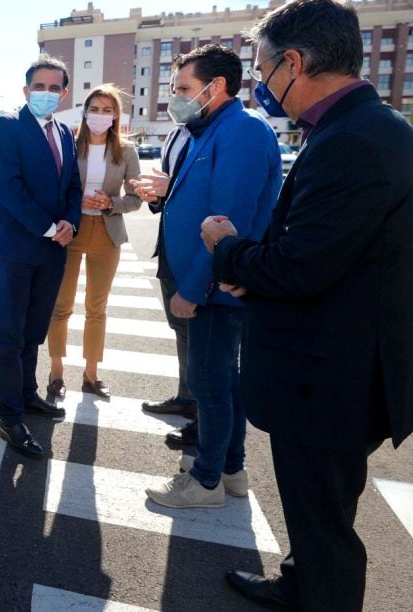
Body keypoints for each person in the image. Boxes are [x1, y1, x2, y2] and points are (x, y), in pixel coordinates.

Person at [203, 1, 413, 609]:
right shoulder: (368, 128)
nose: (264, 87)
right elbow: (328, 253)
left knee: (324, 526)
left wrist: (229, 251)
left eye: (264, 70)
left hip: (328, 380)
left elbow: (300, 267)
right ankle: (300, 583)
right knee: (317, 510)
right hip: (335, 369)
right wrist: (260, 269)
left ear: (294, 62)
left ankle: (317, 594)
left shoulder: (354, 141)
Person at [142, 44, 282, 509]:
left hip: (215, 289)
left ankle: (204, 482)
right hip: (212, 285)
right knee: (223, 381)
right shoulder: (212, 128)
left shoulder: (240, 131)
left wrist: (193, 289)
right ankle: (231, 469)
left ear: (215, 86)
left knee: (207, 385)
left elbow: (227, 223)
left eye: (183, 88)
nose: (175, 98)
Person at [0, 54, 82, 459]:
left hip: (52, 250)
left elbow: (73, 188)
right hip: (14, 249)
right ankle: (10, 417)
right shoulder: (7, 127)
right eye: (38, 87)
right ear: (26, 91)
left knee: (34, 332)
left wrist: (70, 223)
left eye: (53, 87)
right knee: (10, 336)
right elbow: (9, 188)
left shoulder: (63, 131)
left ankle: (27, 394)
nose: (46, 93)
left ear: (63, 94)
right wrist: (49, 226)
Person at [46, 84, 141, 402]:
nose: (100, 116)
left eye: (107, 110)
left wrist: (111, 203)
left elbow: (135, 199)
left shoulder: (127, 151)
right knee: (61, 307)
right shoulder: (70, 147)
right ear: (85, 112)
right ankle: (56, 373)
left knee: (96, 308)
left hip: (107, 233)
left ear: (116, 115)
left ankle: (91, 374)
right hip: (71, 231)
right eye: (95, 109)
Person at [133, 102, 199, 448]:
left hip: (196, 250)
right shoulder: (174, 134)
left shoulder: (214, 135)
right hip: (169, 248)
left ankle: (203, 414)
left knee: (201, 335)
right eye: (174, 90)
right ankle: (186, 397)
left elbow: (203, 192)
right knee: (181, 329)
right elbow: (168, 193)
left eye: (185, 89)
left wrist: (170, 187)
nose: (176, 100)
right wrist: (154, 196)